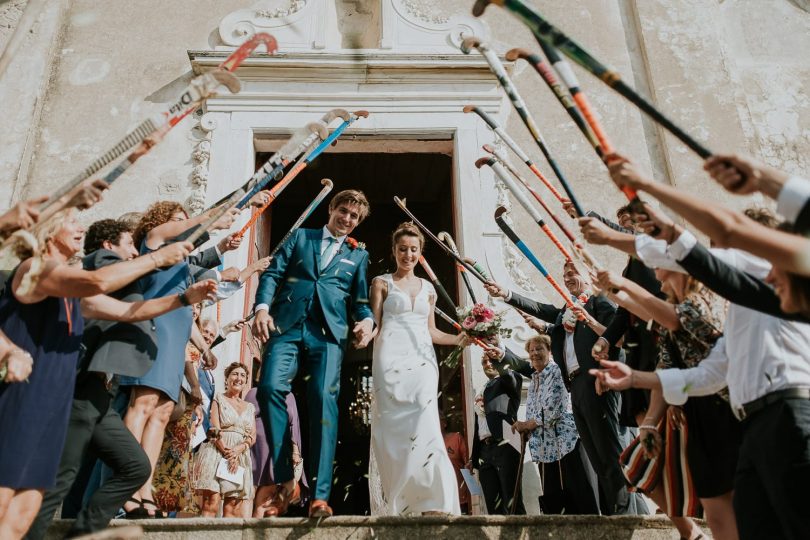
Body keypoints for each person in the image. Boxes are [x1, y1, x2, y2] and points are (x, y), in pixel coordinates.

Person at [0, 209, 190, 539]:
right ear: (48, 232)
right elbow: (97, 281)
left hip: (57, 401)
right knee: (8, 502)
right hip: (28, 398)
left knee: (22, 513)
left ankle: (82, 532)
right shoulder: (36, 268)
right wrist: (156, 258)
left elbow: (132, 311)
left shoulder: (75, 296)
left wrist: (187, 297)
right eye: (72, 221)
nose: (80, 227)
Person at [485, 262, 646, 516]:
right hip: (577, 386)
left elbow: (619, 340)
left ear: (587, 276)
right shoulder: (566, 313)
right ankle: (614, 514)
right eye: (564, 275)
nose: (568, 278)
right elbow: (541, 309)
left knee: (610, 454)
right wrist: (507, 294)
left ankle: (627, 516)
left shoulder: (598, 302)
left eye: (573, 273)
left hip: (597, 381)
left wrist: (606, 369)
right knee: (597, 458)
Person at [251, 190, 375, 518]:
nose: (347, 219)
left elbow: (360, 300)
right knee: (269, 389)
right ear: (331, 209)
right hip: (287, 325)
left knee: (323, 402)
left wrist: (366, 320)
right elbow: (273, 274)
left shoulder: (358, 256)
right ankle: (284, 478)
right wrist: (261, 309)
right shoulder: (300, 237)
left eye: (354, 217)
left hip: (329, 335)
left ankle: (320, 497)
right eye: (343, 211)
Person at [596, 267, 739, 540]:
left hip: (720, 413)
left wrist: (621, 286)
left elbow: (674, 324)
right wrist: (652, 419)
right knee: (713, 504)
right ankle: (693, 534)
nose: (658, 277)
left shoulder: (702, 309)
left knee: (729, 501)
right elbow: (666, 361)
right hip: (690, 411)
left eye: (662, 270)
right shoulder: (670, 321)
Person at [118, 200, 237, 517]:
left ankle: (144, 490)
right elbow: (193, 226)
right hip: (154, 329)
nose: (184, 221)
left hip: (177, 335)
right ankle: (126, 487)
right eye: (178, 218)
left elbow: (186, 308)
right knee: (141, 405)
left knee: (160, 413)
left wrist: (205, 346)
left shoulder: (181, 265)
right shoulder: (155, 239)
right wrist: (218, 216)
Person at [367, 222, 467, 516]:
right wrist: (363, 333)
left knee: (425, 423)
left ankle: (432, 500)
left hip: (422, 360)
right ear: (394, 251)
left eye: (413, 250)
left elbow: (432, 332)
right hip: (389, 359)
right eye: (402, 249)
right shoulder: (381, 283)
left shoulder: (428, 289)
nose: (408, 255)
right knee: (394, 432)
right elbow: (376, 323)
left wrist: (460, 339)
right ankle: (402, 501)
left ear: (420, 252)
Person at [510, 335, 599, 515]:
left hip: (566, 442)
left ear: (549, 351)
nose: (534, 353)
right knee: (553, 501)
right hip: (545, 448)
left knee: (579, 496)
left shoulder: (555, 370)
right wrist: (527, 429)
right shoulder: (535, 377)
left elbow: (553, 409)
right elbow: (534, 411)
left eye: (539, 348)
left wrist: (527, 424)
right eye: (531, 350)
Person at [193, 362, 256, 518]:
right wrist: (228, 453)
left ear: (246, 380)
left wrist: (238, 450)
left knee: (233, 507)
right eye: (234, 374)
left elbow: (252, 436)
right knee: (211, 503)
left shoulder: (250, 407)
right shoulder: (218, 399)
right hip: (217, 452)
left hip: (239, 456)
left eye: (242, 375)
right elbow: (214, 430)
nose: (238, 378)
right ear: (227, 379)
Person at [470, 344, 525, 515]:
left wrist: (498, 357)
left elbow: (510, 377)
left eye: (491, 360)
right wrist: (474, 456)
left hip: (506, 443)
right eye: (484, 362)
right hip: (484, 451)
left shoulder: (508, 381)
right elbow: (479, 425)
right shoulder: (482, 390)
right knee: (493, 506)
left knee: (512, 501)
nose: (488, 364)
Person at [440, 415, 470, 515]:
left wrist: (474, 494)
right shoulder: (427, 444)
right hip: (439, 503)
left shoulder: (456, 438)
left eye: (437, 418)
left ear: (444, 423)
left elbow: (469, 466)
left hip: (460, 499)